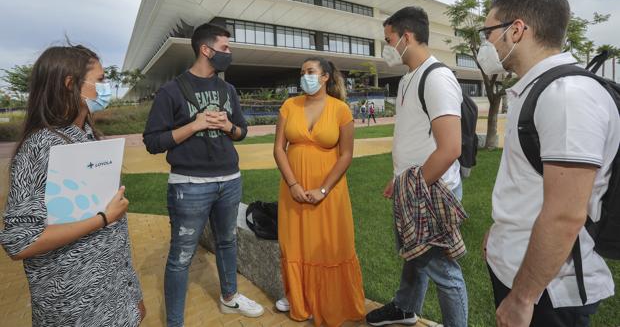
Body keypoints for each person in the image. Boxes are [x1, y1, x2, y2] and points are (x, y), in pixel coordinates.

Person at [480, 0, 618, 327]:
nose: (486, 44)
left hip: (548, 293)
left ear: (516, 30)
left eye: (488, 32)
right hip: (520, 268)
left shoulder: (567, 96)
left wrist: (523, 298)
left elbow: (564, 215)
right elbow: (529, 181)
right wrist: (500, 234)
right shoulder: (539, 90)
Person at [0, 45, 146, 326]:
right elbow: (20, 241)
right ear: (71, 84)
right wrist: (103, 219)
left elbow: (112, 240)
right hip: (74, 310)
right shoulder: (40, 147)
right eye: (100, 80)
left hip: (115, 299)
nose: (106, 88)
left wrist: (132, 293)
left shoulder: (87, 137)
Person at [142, 23, 264, 327]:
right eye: (225, 48)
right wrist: (194, 125)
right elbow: (153, 142)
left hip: (230, 181)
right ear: (205, 50)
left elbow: (242, 132)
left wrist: (228, 127)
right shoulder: (171, 91)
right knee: (181, 257)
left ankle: (229, 298)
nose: (229, 53)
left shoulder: (228, 90)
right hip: (189, 186)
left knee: (227, 242)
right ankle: (175, 322)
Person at [365, 6, 468, 327]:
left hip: (431, 190)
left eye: (388, 39)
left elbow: (450, 148)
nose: (386, 47)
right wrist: (398, 180)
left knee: (445, 271)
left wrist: (410, 188)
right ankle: (406, 306)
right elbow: (415, 138)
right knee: (415, 252)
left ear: (406, 37)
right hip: (412, 185)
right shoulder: (409, 78)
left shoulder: (437, 78)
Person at [273, 57, 366, 326]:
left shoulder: (341, 110)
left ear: (325, 77)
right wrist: (293, 185)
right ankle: (298, 299)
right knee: (296, 243)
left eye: (310, 72)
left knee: (329, 245)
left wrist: (323, 189)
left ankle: (330, 301)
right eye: (302, 72)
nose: (305, 77)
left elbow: (346, 155)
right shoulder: (289, 106)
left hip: (330, 191)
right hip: (294, 190)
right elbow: (279, 148)